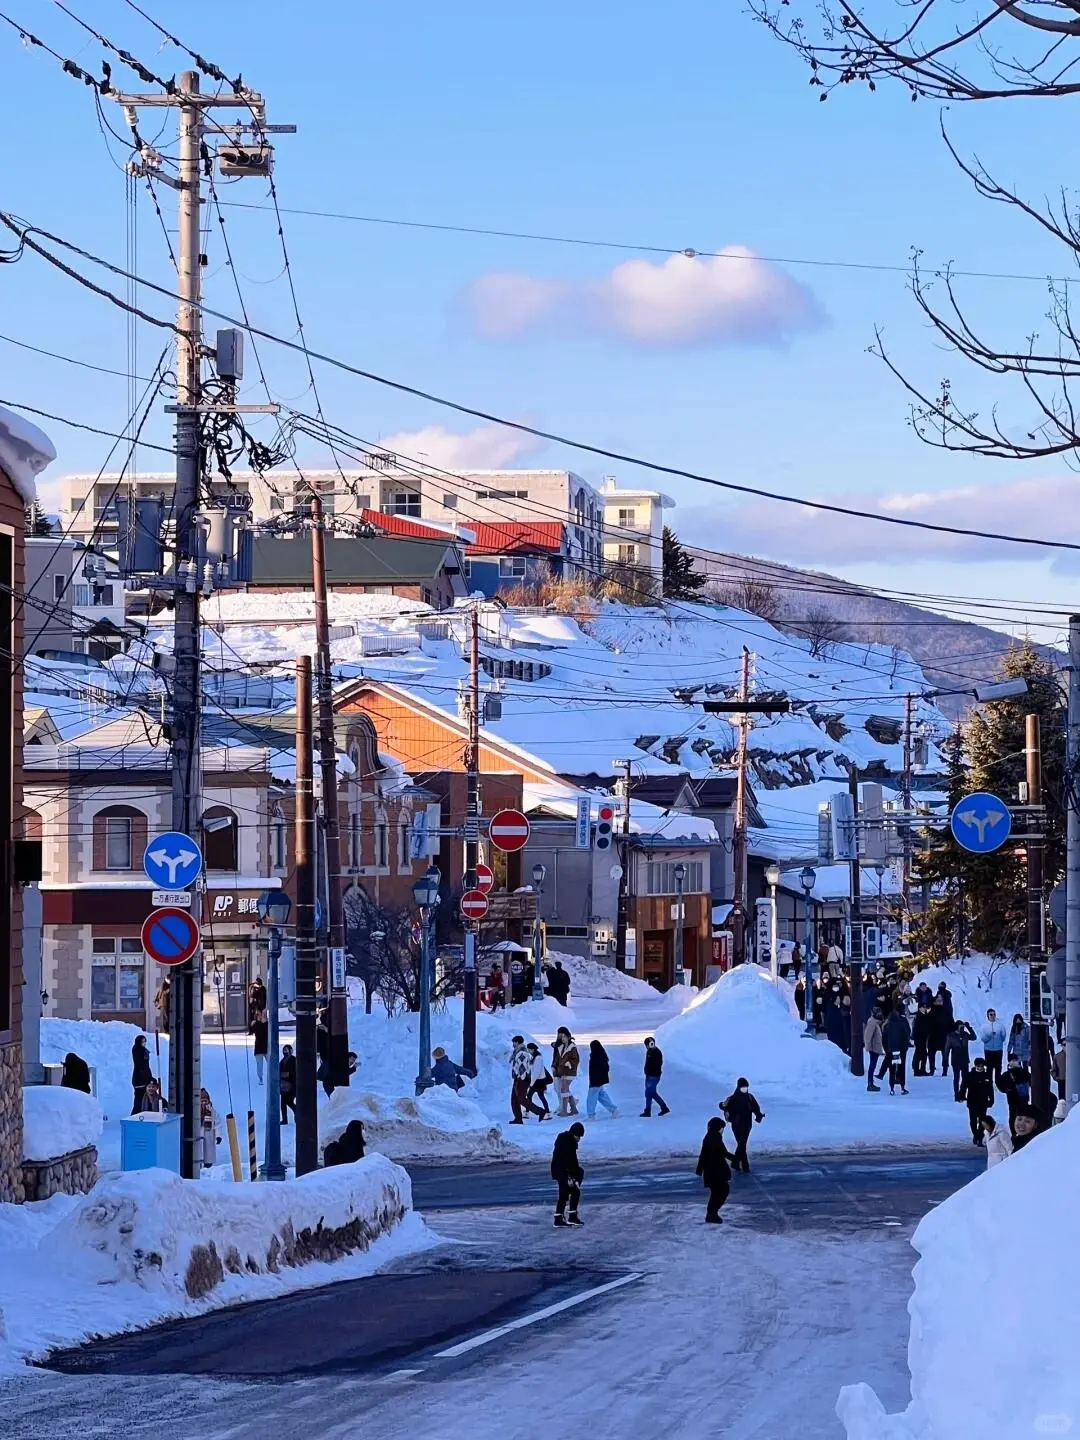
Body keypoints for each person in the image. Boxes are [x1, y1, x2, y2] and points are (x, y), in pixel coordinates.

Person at [696, 1116, 736, 1224]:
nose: (722, 1131)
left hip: (713, 1171)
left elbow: (703, 1154)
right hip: (715, 1171)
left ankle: (712, 1213)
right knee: (721, 1192)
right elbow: (722, 1152)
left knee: (719, 1192)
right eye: (721, 1128)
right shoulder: (714, 1137)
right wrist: (735, 1158)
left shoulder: (711, 1136)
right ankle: (712, 1214)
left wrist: (699, 1169)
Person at [722, 1077, 764, 1173]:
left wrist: (759, 1115)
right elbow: (724, 1106)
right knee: (742, 1144)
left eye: (746, 1087)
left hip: (747, 1125)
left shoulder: (750, 1097)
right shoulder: (733, 1098)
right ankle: (744, 1166)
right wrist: (722, 1105)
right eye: (743, 1087)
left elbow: (755, 1108)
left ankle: (736, 1163)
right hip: (736, 1125)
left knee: (742, 1144)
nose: (745, 1089)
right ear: (738, 1087)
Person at [550, 1121, 585, 1227]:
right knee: (566, 1194)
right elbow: (571, 1161)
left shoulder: (564, 1138)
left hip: (560, 1170)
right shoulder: (569, 1143)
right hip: (563, 1172)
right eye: (579, 1136)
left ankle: (568, 1216)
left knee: (572, 1192)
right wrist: (572, 1177)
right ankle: (560, 1218)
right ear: (575, 1134)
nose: (579, 1139)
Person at [510, 1035, 545, 1124]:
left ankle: (540, 1111)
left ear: (517, 1042)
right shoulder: (518, 1052)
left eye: (514, 1042)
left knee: (521, 1099)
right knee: (514, 1099)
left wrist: (520, 1078)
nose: (513, 1044)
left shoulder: (522, 1053)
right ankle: (518, 1118)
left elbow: (522, 1067)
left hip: (522, 1079)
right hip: (519, 1079)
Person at [997, 1054, 1032, 1136]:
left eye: (1015, 1060)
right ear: (1009, 1062)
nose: (1015, 1062)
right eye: (1012, 1060)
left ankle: (1022, 1132)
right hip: (1013, 1099)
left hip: (1023, 1098)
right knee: (1013, 1116)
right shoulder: (1006, 1074)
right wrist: (1008, 1089)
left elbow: (1031, 1081)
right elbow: (1000, 1085)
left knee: (1023, 1116)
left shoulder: (1023, 1071)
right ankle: (1014, 1133)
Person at [965, 1057, 995, 1145]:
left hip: (983, 1101)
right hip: (972, 1101)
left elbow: (990, 1089)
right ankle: (976, 1135)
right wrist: (961, 1095)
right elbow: (964, 1086)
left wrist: (991, 1099)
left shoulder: (986, 1075)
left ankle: (979, 1136)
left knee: (982, 1120)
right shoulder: (970, 1075)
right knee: (973, 1120)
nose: (981, 1068)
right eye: (979, 1066)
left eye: (982, 1066)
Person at [586, 1039, 618, 1119]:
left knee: (591, 1098)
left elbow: (595, 1070)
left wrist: (594, 1081)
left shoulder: (595, 1057)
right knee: (602, 1096)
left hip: (595, 1081)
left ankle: (591, 1114)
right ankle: (613, 1110)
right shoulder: (602, 1056)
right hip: (598, 1081)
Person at [551, 1026, 580, 1117]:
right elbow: (557, 1058)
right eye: (560, 1036)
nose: (561, 1037)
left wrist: (569, 1063)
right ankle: (573, 1108)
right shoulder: (561, 1047)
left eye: (563, 1036)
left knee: (563, 1089)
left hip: (569, 1072)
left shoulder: (572, 1047)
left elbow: (576, 1059)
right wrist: (554, 1066)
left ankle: (564, 1110)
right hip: (562, 1071)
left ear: (567, 1036)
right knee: (562, 1089)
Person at [882, 1007, 911, 1094]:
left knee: (892, 1068)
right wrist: (905, 1048)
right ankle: (902, 1087)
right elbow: (906, 1037)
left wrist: (887, 1050)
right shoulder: (902, 1025)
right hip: (901, 1050)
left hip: (891, 1050)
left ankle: (891, 1088)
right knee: (901, 1068)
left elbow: (884, 1040)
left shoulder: (887, 1026)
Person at [947, 1020, 977, 1102]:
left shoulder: (965, 1035)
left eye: (963, 1027)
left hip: (964, 1060)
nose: (962, 1028)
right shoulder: (951, 1036)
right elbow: (947, 1049)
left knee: (965, 1078)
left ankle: (962, 1094)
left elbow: (974, 1037)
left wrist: (969, 1028)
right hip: (956, 1060)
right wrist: (945, 1062)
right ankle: (956, 1095)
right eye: (961, 1026)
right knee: (956, 1078)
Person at [641, 1037, 670, 1117]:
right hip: (649, 1075)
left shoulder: (656, 1052)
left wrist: (651, 1072)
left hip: (653, 1076)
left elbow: (657, 1064)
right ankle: (648, 1110)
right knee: (648, 1093)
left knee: (651, 1092)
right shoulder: (649, 1051)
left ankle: (663, 1107)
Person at [981, 1008, 1007, 1084]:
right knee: (989, 1067)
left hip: (998, 1049)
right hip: (988, 1050)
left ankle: (998, 1082)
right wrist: (990, 1036)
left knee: (998, 1067)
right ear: (988, 1016)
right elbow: (983, 1038)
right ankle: (989, 1082)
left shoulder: (1000, 1025)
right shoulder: (984, 1026)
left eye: (994, 1014)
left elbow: (1003, 1036)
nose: (993, 1016)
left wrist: (999, 1042)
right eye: (991, 1014)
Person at [527, 1042, 552, 1117]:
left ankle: (547, 1112)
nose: (528, 1051)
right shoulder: (534, 1057)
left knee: (539, 1097)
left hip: (538, 1082)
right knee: (531, 1096)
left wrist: (531, 1083)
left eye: (529, 1049)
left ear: (533, 1049)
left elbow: (536, 1072)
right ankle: (547, 1112)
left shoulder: (538, 1058)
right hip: (538, 1081)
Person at [928, 996, 951, 1076]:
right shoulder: (930, 1011)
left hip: (943, 1036)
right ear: (934, 1001)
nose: (940, 1002)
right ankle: (931, 1069)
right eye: (938, 1000)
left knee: (945, 1054)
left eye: (941, 1000)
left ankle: (945, 1070)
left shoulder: (946, 1011)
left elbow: (951, 1022)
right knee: (931, 1054)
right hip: (932, 1036)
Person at [863, 1008, 884, 1091]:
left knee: (873, 1066)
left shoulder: (876, 1022)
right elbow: (867, 1035)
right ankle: (870, 1084)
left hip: (875, 1048)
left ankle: (871, 1083)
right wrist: (868, 1046)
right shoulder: (872, 1022)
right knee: (872, 1066)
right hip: (873, 1048)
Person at [199, 1087, 220, 1169]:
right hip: (199, 1135)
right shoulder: (195, 1111)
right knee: (199, 1153)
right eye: (202, 1100)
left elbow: (217, 1123)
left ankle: (208, 1166)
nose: (204, 1102)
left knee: (208, 1153)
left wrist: (218, 1136)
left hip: (209, 1135)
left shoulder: (212, 1111)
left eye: (205, 1100)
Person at [131, 1034, 153, 1114]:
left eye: (145, 1041)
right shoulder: (139, 1052)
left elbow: (146, 1067)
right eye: (143, 1042)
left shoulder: (143, 1051)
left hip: (143, 1080)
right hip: (140, 1080)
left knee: (142, 1100)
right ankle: (134, 1116)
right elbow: (142, 1067)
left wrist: (150, 1078)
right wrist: (148, 1078)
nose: (144, 1043)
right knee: (139, 1101)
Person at [912, 1004, 932, 1077]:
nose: (925, 1008)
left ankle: (919, 1069)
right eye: (923, 1007)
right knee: (920, 1054)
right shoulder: (919, 1016)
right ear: (920, 1008)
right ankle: (918, 1070)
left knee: (921, 1054)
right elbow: (919, 1028)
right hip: (919, 1038)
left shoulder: (924, 1015)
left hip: (922, 1038)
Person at [279, 1043, 297, 1124]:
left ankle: (297, 1113)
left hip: (292, 1084)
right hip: (284, 1085)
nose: (285, 1052)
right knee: (283, 1103)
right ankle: (284, 1119)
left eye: (286, 1050)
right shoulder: (282, 1061)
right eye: (284, 1050)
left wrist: (288, 1074)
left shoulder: (294, 1060)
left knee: (289, 1101)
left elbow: (296, 1072)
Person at [250, 1007, 268, 1085]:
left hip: (266, 1047)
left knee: (271, 1062)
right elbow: (251, 1030)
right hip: (259, 1048)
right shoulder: (256, 1024)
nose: (260, 1017)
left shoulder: (267, 1024)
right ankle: (260, 1078)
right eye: (259, 1015)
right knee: (259, 1065)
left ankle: (274, 1076)